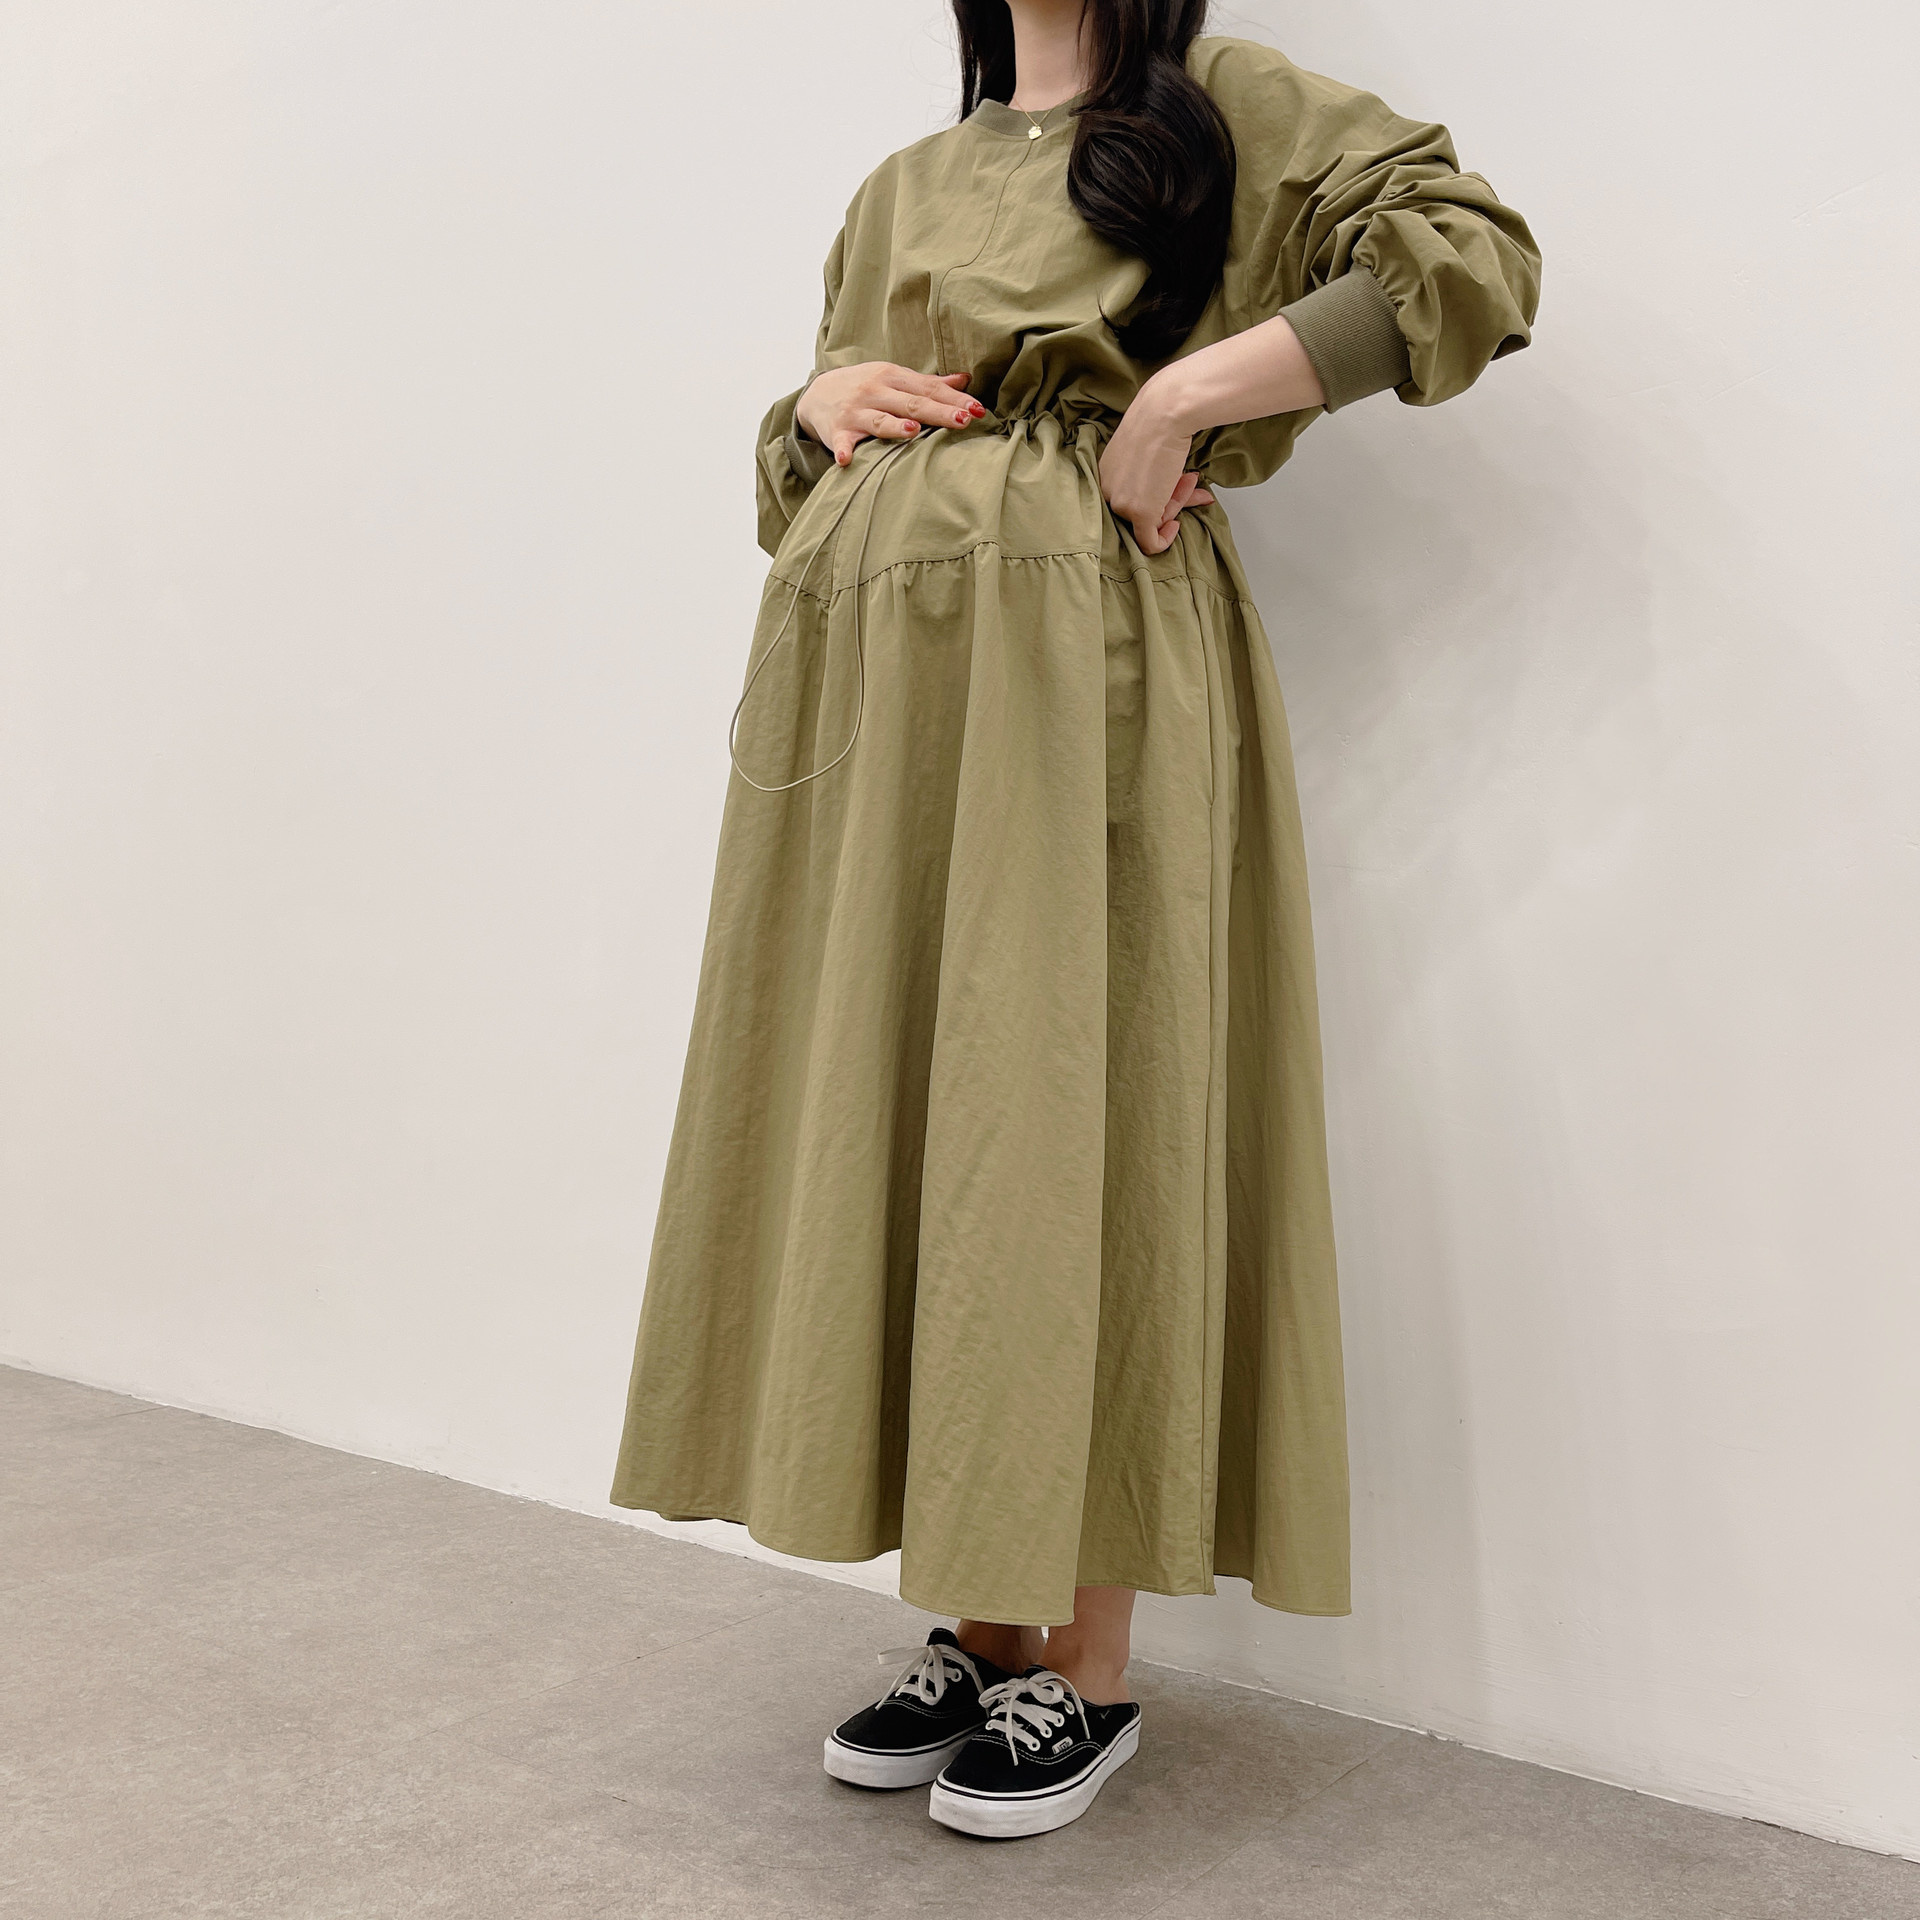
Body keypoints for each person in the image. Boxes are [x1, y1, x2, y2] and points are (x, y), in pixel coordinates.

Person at [611, 0, 1539, 1839]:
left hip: (1085, 667)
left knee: (1071, 1102)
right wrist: (812, 407)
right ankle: (979, 1623)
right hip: (880, 710)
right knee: (924, 1116)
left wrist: (1187, 395)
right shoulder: (903, 182)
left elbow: (1467, 257)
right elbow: (813, 460)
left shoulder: (1222, 102)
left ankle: (1089, 1670)